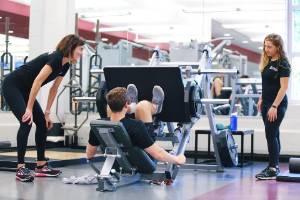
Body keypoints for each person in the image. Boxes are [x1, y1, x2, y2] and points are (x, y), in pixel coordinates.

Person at [2, 34, 85, 182]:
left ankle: (41, 166)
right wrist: (28, 109)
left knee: (42, 124)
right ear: (71, 47)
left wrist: (47, 113)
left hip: (26, 89)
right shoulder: (55, 58)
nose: (81, 53)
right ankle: (20, 168)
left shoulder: (65, 65)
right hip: (12, 85)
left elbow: (54, 88)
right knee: (26, 121)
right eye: (80, 49)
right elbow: (38, 81)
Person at [86, 85, 186, 168]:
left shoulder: (98, 125)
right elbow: (157, 154)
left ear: (109, 105)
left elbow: (89, 154)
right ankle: (155, 107)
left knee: (135, 109)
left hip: (115, 164)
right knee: (143, 106)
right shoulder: (136, 126)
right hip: (143, 163)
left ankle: (133, 104)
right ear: (125, 105)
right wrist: (177, 159)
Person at [255, 33, 291, 180]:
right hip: (266, 103)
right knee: (274, 134)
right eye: (265, 46)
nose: (266, 49)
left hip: (277, 104)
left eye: (269, 46)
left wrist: (274, 106)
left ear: (278, 47)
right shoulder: (268, 62)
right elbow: (267, 85)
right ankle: (273, 165)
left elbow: (283, 88)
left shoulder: (283, 64)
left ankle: (273, 167)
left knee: (270, 134)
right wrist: (261, 99)